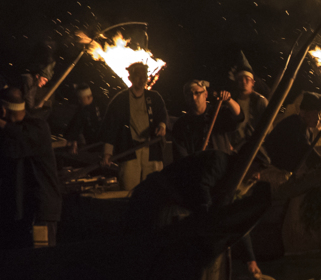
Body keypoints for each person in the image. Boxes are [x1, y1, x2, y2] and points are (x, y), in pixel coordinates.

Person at [126, 148, 270, 276]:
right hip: (155, 200)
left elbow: (233, 219)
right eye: (257, 169)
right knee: (148, 251)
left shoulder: (232, 182)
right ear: (246, 162)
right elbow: (201, 187)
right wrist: (208, 218)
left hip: (171, 207)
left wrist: (250, 259)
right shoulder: (218, 161)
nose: (257, 176)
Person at [0, 87, 62, 249]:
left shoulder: (38, 127)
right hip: (15, 211)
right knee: (5, 260)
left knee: (39, 263)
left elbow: (19, 135)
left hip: (39, 211)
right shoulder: (4, 137)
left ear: (2, 110)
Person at [100, 62, 168, 191]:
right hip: (129, 151)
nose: (142, 80)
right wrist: (107, 153)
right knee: (129, 190)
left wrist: (162, 126)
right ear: (130, 77)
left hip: (151, 150)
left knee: (153, 191)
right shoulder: (120, 100)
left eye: (144, 76)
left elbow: (162, 115)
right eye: (138, 76)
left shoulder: (154, 98)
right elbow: (111, 127)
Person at [170, 79, 242, 160]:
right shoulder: (181, 125)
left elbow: (238, 116)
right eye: (189, 94)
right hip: (199, 169)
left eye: (197, 93)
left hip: (221, 166)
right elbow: (181, 157)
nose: (193, 97)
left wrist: (229, 99)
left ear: (206, 94)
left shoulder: (217, 113)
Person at [263, 91, 321, 173]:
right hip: (270, 166)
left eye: (320, 114)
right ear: (303, 113)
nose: (318, 118)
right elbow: (305, 147)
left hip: (285, 168)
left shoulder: (309, 131)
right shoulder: (293, 124)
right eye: (314, 114)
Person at [228, 52, 268, 149]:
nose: (244, 82)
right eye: (240, 79)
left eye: (247, 79)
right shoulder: (233, 101)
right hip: (234, 146)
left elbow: (267, 127)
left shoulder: (260, 101)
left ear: (253, 82)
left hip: (254, 147)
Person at [63, 83, 103, 154]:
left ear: (88, 97)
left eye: (81, 99)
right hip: (93, 144)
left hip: (98, 145)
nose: (79, 101)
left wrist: (73, 139)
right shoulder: (83, 108)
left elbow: (77, 124)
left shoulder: (90, 109)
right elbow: (75, 124)